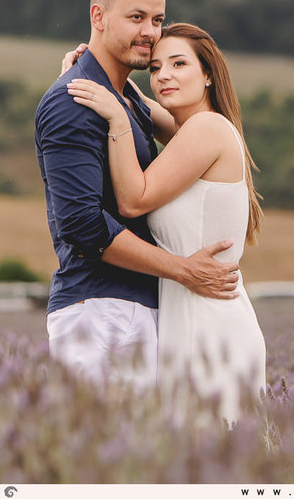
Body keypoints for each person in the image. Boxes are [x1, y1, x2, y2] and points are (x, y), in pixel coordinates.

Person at [35, 0, 240, 389]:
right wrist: (182, 270)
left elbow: (188, 135)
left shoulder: (127, 103)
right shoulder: (73, 102)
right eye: (137, 17)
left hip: (143, 310)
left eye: (158, 20)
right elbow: (83, 226)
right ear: (99, 17)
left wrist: (116, 93)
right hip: (100, 311)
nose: (150, 31)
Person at [66, 22, 267, 423]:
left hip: (210, 323)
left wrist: (117, 121)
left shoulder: (207, 129)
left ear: (208, 74)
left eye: (179, 64)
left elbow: (133, 199)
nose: (164, 76)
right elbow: (137, 101)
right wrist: (86, 72)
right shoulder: (190, 130)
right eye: (156, 68)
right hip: (189, 311)